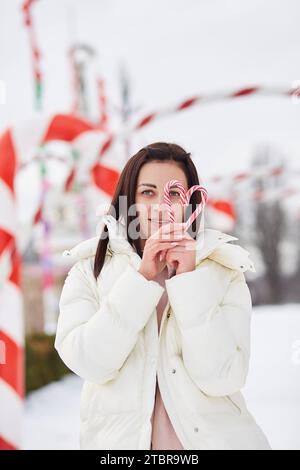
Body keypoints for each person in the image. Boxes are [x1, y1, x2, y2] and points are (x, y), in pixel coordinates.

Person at [55, 142, 271, 450]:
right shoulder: (90, 271)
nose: (161, 205)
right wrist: (140, 279)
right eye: (147, 192)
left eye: (173, 193)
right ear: (128, 200)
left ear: (190, 201)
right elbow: (90, 363)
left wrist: (189, 281)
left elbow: (224, 378)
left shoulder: (224, 271)